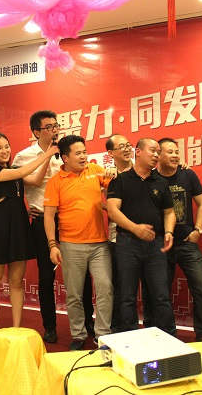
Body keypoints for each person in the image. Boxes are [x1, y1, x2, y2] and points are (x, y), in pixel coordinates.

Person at [13, 110, 94, 344]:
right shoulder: (24, 156)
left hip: (70, 220)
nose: (54, 130)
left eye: (56, 126)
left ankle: (88, 322)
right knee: (46, 276)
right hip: (42, 220)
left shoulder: (67, 152)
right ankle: (49, 326)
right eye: (48, 127)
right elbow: (31, 183)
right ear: (36, 132)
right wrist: (48, 155)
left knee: (81, 274)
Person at [0, 131, 59, 344]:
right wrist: (47, 152)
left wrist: (48, 158)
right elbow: (23, 171)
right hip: (1, 227)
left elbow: (35, 179)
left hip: (20, 225)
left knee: (16, 282)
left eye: (6, 146)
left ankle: (16, 327)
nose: (4, 151)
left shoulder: (13, 170)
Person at [45, 135, 113, 350]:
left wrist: (113, 175)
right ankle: (78, 334)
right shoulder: (56, 181)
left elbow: (117, 186)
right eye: (78, 153)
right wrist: (52, 245)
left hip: (99, 244)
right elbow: (49, 216)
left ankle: (103, 335)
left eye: (85, 152)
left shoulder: (95, 171)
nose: (84, 156)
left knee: (105, 287)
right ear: (65, 157)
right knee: (74, 294)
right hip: (70, 245)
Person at [106, 138, 177, 336]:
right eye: (153, 151)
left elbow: (169, 212)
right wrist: (135, 229)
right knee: (126, 295)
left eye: (158, 152)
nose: (156, 155)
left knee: (160, 294)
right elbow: (112, 210)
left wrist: (169, 232)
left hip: (155, 244)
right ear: (138, 152)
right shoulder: (120, 180)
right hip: (127, 244)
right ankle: (129, 338)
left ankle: (167, 336)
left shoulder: (161, 182)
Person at [156, 138, 202, 341]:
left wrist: (198, 229)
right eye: (169, 152)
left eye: (176, 152)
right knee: (161, 292)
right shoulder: (152, 178)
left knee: (201, 288)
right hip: (161, 245)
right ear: (158, 155)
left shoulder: (187, 174)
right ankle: (166, 334)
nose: (175, 155)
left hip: (187, 242)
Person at [104, 134, 134, 333]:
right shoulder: (106, 176)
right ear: (110, 153)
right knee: (117, 285)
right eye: (121, 146)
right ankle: (116, 328)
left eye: (128, 145)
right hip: (116, 237)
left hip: (143, 237)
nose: (127, 148)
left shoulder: (143, 170)